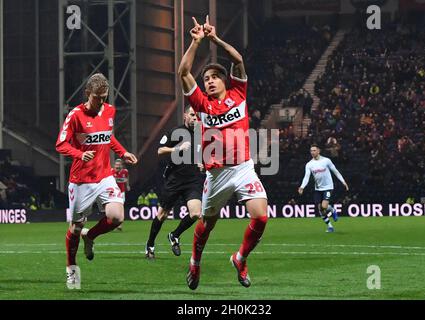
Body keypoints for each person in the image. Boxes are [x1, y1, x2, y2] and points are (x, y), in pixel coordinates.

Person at [178, 16, 268, 290]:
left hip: (242, 168)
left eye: (215, 77)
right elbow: (183, 72)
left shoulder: (239, 93)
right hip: (216, 175)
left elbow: (238, 59)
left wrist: (215, 40)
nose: (210, 81)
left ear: (226, 81)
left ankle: (240, 258)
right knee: (207, 223)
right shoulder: (201, 104)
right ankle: (195, 262)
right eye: (206, 78)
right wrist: (195, 43)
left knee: (261, 216)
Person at [55, 73, 138, 290]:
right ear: (87, 94)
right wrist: (79, 154)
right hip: (81, 180)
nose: (101, 102)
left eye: (104, 97)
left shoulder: (109, 110)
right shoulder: (75, 115)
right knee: (75, 228)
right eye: (97, 97)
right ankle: (71, 269)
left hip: (105, 176)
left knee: (117, 217)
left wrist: (123, 152)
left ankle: (90, 237)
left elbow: (108, 136)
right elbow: (60, 144)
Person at [145, 105, 204, 260]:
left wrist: (201, 162)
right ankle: (150, 245)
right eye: (191, 115)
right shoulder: (175, 132)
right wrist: (177, 148)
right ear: (185, 115)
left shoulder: (201, 133)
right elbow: (159, 150)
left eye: (196, 116)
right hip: (175, 180)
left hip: (193, 180)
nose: (194, 118)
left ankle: (174, 235)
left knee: (196, 213)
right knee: (162, 215)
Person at [298, 144, 348, 232]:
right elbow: (306, 177)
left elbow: (335, 171)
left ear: (318, 151)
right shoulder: (309, 164)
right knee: (320, 209)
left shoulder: (326, 161)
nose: (312, 152)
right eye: (311, 151)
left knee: (324, 206)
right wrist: (302, 187)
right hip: (318, 189)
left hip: (328, 187)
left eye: (314, 150)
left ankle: (332, 209)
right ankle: (330, 226)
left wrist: (343, 181)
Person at [111, 159, 130, 231]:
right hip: (113, 193)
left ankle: (119, 224)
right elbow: (116, 180)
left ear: (121, 165)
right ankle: (113, 224)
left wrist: (127, 185)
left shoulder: (125, 171)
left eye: (119, 165)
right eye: (117, 165)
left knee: (120, 208)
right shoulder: (111, 171)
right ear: (114, 165)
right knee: (114, 209)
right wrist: (122, 180)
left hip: (121, 192)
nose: (118, 166)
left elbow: (127, 178)